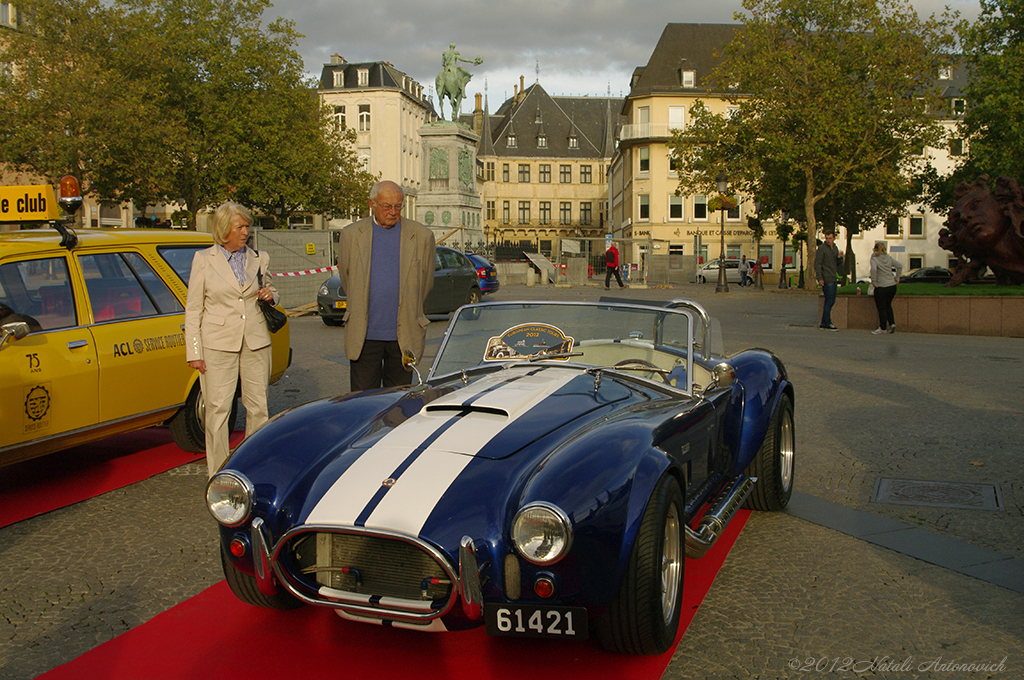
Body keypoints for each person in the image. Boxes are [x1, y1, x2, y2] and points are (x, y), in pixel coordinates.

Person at [184, 201, 278, 477]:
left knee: (259, 407)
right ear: (224, 229)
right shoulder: (203, 259)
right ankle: (217, 473)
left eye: (247, 226)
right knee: (217, 409)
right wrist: (194, 351)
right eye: (240, 227)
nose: (245, 232)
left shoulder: (260, 258)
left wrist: (271, 295)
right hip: (217, 343)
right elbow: (192, 308)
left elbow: (272, 289)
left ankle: (253, 469)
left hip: (255, 340)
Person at [338, 180, 435, 392]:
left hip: (404, 337)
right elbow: (347, 279)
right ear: (372, 204)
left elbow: (425, 284)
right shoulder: (351, 235)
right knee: (364, 403)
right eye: (386, 206)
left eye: (398, 206)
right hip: (364, 337)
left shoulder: (422, 236)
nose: (393, 211)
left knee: (398, 404)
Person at [869, 241, 903, 334]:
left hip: (881, 286)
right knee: (888, 305)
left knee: (881, 307)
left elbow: (874, 269)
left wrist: (874, 282)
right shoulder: (888, 258)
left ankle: (882, 327)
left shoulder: (874, 258)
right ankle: (892, 324)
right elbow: (899, 266)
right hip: (892, 286)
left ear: (875, 249)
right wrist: (897, 278)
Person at [814, 231, 843, 331]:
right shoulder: (822, 249)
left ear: (834, 238)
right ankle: (828, 322)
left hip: (833, 276)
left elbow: (836, 263)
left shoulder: (834, 248)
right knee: (829, 300)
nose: (828, 240)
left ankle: (824, 322)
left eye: (830, 238)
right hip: (827, 277)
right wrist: (820, 278)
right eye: (827, 238)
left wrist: (840, 258)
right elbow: (818, 264)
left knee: (831, 300)